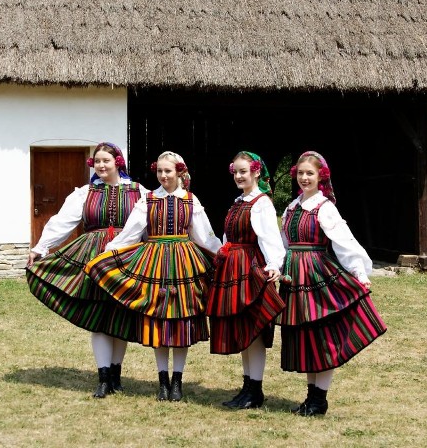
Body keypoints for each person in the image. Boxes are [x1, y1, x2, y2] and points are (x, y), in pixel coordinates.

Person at [85, 151, 221, 402]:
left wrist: (223, 254)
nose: (163, 175)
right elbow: (130, 234)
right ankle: (162, 382)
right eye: (159, 171)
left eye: (168, 171)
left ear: (180, 171)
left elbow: (205, 237)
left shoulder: (191, 200)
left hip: (183, 263)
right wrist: (105, 254)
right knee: (160, 321)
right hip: (156, 262)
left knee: (181, 322)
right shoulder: (147, 200)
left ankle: (177, 382)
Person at [26, 142, 148, 398]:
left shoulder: (139, 192)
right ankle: (103, 377)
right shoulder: (85, 193)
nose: (101, 165)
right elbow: (62, 222)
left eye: (106, 160)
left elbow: (148, 225)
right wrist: (40, 247)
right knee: (99, 318)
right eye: (97, 161)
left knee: (120, 315)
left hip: (125, 256)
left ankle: (116, 375)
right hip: (93, 256)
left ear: (118, 162)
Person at [278, 151, 387, 416]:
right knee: (306, 336)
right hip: (294, 278)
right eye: (301, 173)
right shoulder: (292, 207)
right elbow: (283, 245)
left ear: (320, 177)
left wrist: (360, 274)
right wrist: (277, 267)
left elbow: (344, 242)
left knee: (322, 336)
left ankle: (320, 399)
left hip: (316, 276)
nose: (304, 178)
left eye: (310, 174)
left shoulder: (324, 207)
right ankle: (311, 398)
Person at [207, 151, 286, 409]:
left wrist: (273, 265)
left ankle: (256, 389)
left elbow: (270, 238)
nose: (239, 176)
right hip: (233, 268)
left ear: (255, 172)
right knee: (243, 331)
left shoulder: (261, 203)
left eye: (244, 171)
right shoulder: (239, 201)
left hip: (251, 268)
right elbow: (227, 235)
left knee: (253, 332)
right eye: (236, 172)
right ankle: (248, 387)